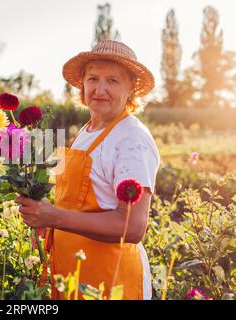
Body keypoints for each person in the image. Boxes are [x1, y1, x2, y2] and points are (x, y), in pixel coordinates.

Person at [16, 40, 160, 300]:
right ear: (82, 83)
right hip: (74, 277)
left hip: (110, 282)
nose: (100, 89)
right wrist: (45, 219)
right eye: (93, 78)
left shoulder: (131, 139)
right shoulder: (88, 130)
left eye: (113, 81)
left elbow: (133, 226)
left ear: (131, 89)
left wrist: (54, 218)